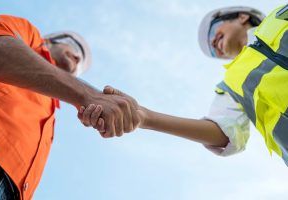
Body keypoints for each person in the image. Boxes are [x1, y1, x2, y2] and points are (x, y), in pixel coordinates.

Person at [82, 5, 288, 167]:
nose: (212, 43)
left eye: (214, 30)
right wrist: (145, 117)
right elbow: (223, 132)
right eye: (212, 50)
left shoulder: (278, 16)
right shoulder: (231, 86)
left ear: (242, 17)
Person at [0, 15, 140, 200]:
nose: (77, 58)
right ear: (51, 40)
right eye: (74, 46)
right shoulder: (29, 35)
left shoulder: (51, 114)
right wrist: (87, 94)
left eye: (81, 65)